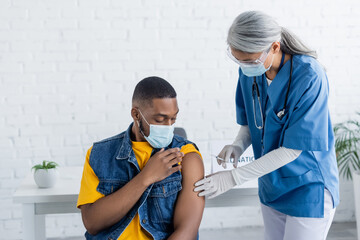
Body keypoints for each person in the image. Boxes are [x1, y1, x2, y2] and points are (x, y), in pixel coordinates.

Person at [194, 11, 339, 240]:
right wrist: (238, 145)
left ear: (274, 47)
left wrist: (233, 178)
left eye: (249, 60)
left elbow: (293, 148)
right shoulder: (250, 71)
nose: (244, 66)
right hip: (272, 184)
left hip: (308, 187)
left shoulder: (309, 76)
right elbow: (254, 121)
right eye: (238, 59)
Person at [77, 76, 205, 240]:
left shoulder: (187, 156)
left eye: (173, 119)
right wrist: (146, 177)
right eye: (160, 119)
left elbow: (187, 231)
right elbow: (93, 223)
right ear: (136, 114)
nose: (168, 127)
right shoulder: (99, 154)